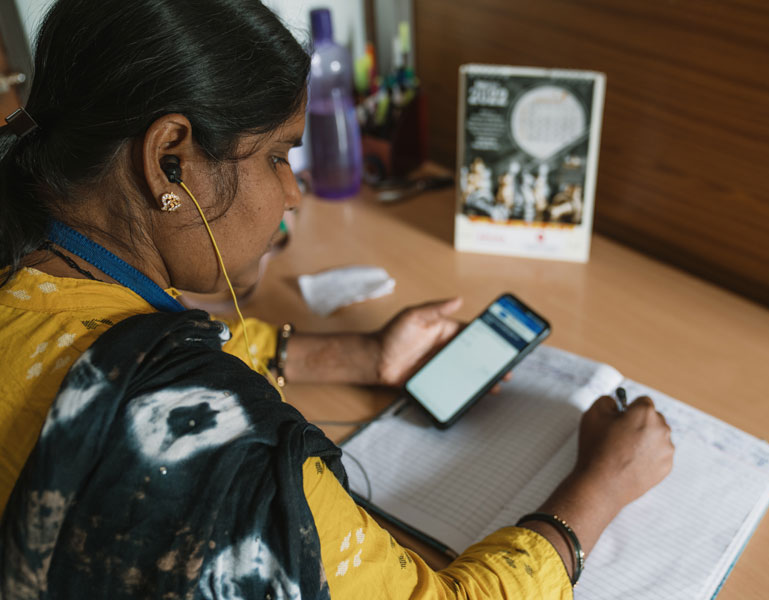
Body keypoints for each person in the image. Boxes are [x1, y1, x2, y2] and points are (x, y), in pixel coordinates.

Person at [0, 1, 674, 598]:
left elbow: (126, 354)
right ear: (170, 159)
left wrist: (366, 355)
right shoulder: (225, 456)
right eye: (277, 156)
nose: (292, 192)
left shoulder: (28, 273)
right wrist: (599, 490)